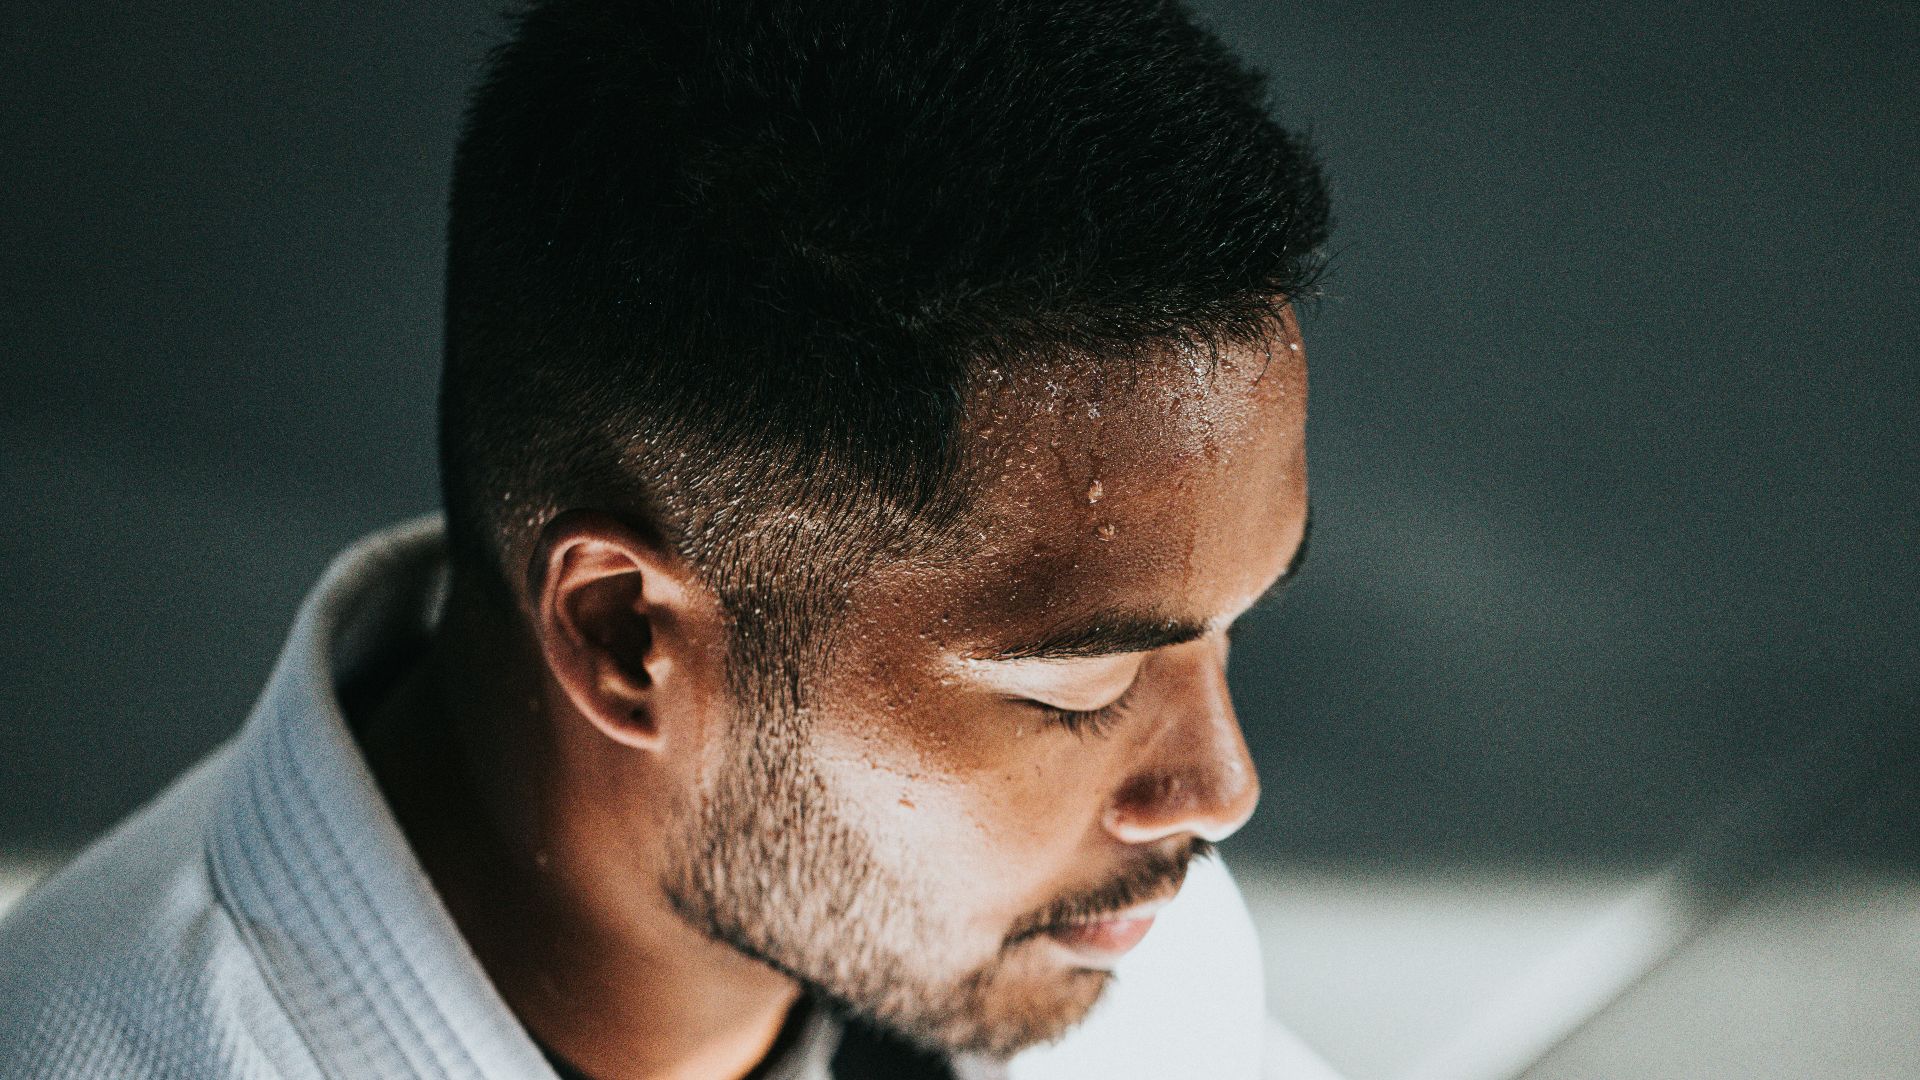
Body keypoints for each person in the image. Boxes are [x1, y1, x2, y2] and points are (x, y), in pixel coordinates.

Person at [0, 0, 1330, 1076]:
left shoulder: (1115, 954)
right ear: (623, 632)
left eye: (1235, 622)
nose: (1218, 787)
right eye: (1079, 687)